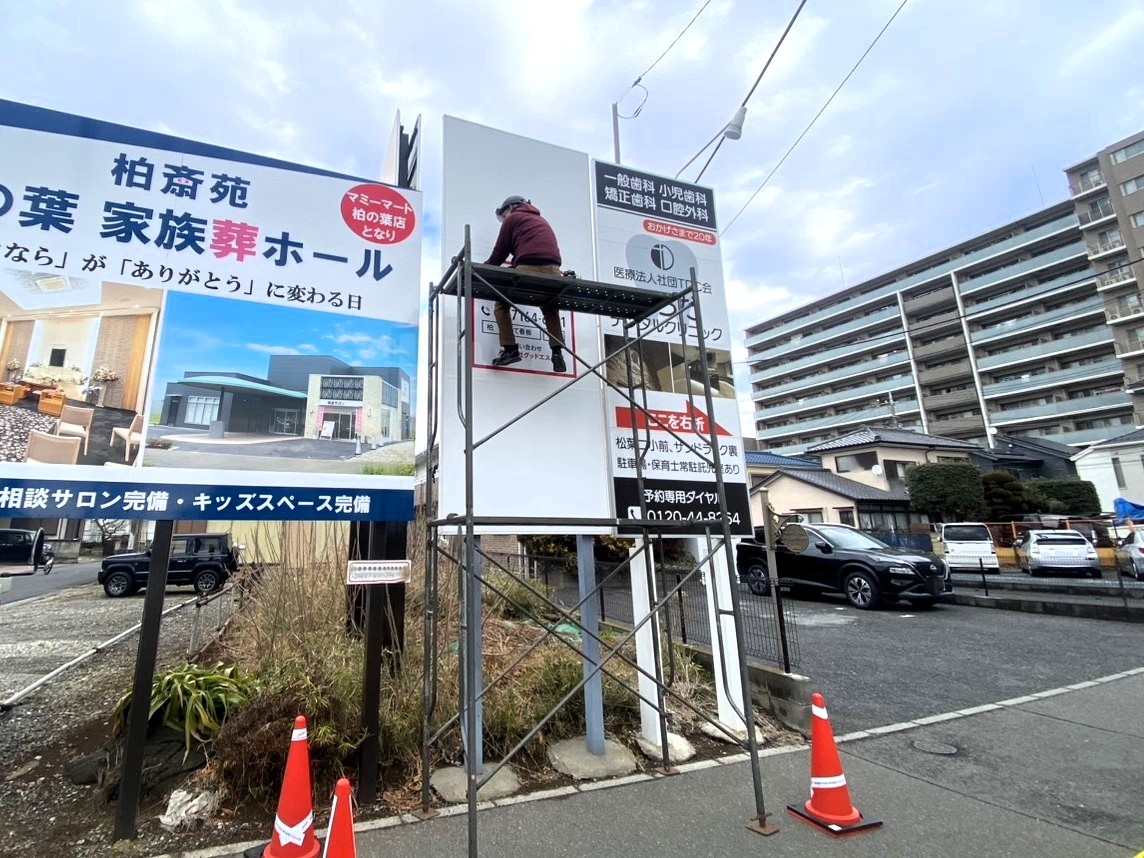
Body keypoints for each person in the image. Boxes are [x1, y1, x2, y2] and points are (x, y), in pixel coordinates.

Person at [485, 195, 568, 372]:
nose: (503, 219)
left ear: (511, 207)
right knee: (550, 306)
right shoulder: (541, 220)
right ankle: (557, 352)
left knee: (501, 303)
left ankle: (510, 349)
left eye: (503, 214)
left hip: (528, 268)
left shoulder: (513, 218)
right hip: (554, 271)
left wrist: (479, 270)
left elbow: (499, 254)